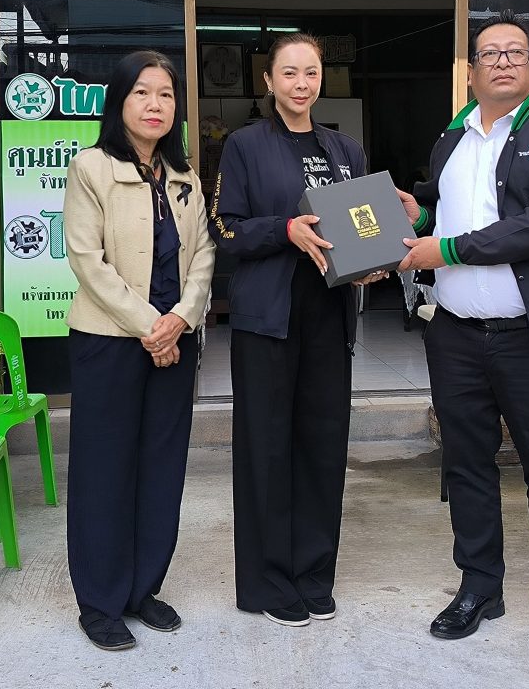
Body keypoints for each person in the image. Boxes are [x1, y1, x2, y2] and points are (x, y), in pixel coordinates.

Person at [397, 10, 529, 657]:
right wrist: (421, 216)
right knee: (466, 465)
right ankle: (480, 587)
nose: (504, 61)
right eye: (491, 53)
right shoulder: (451, 140)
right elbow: (446, 212)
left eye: (516, 52)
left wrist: (448, 249)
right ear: (472, 72)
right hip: (455, 334)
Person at [208, 33, 383, 628]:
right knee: (266, 447)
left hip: (329, 317)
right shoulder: (245, 146)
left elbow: (362, 226)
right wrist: (285, 230)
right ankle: (268, 582)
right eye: (289, 73)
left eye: (310, 72)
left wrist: (374, 260)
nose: (301, 83)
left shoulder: (345, 149)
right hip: (268, 320)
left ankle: (313, 575)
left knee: (323, 445)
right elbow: (225, 229)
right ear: (269, 81)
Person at [63, 50, 215, 651]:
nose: (156, 105)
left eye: (166, 95)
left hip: (175, 340)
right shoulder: (91, 168)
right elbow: (87, 260)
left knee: (161, 467)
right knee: (104, 471)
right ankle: (100, 601)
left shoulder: (184, 176)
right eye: (143, 93)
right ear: (120, 102)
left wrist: (181, 319)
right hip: (111, 343)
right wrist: (153, 327)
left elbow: (204, 254)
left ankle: (142, 588)